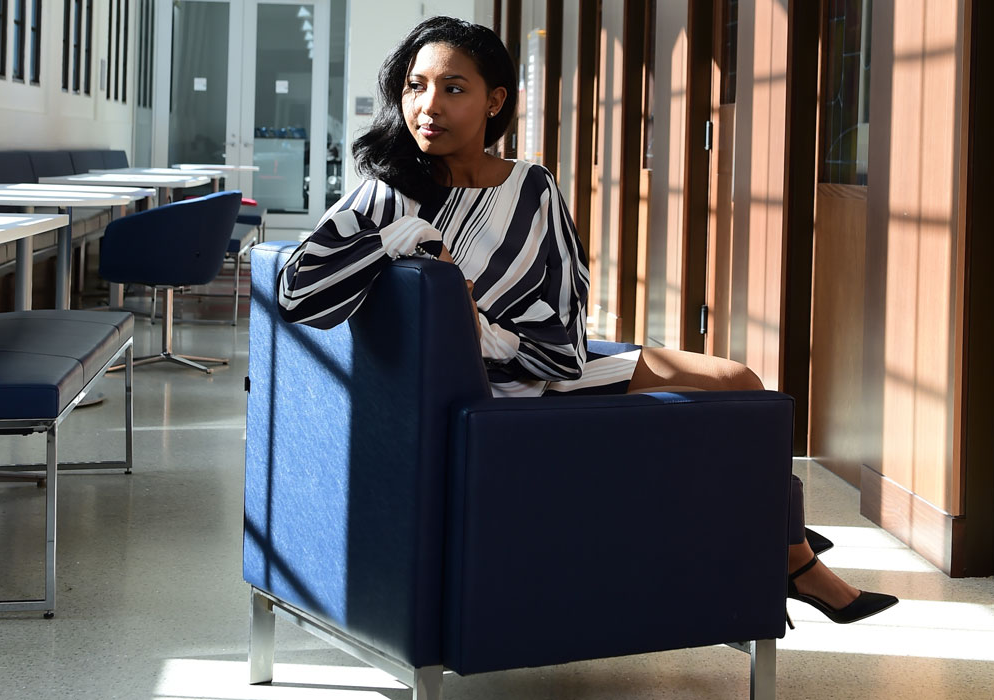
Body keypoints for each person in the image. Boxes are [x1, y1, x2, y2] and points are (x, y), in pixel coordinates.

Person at [276, 15, 897, 626]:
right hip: (484, 393)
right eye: (415, 86)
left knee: (740, 382)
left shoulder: (533, 186)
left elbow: (564, 306)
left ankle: (784, 547)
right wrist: (401, 240)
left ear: (495, 101)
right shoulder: (388, 194)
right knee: (730, 414)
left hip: (550, 360)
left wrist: (495, 327)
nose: (427, 106)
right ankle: (792, 556)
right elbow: (295, 290)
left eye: (452, 88)